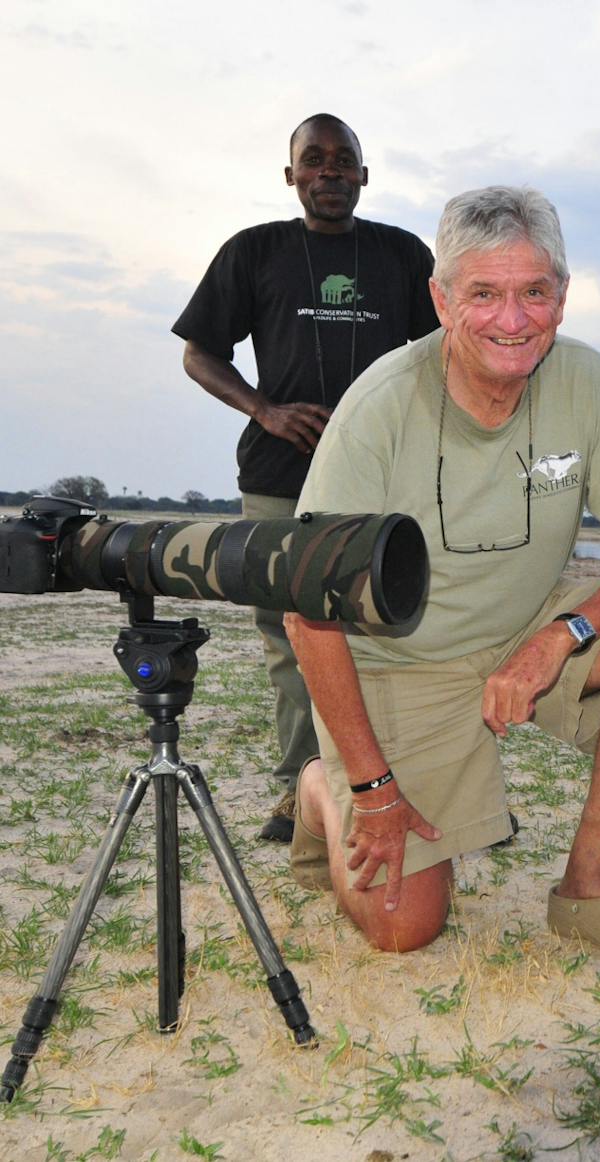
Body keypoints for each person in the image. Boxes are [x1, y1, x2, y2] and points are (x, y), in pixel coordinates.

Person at [284, 186, 600, 967]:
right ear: (442, 300)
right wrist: (375, 789)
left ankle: (589, 888)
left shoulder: (586, 380)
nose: (512, 321)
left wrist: (564, 634)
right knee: (404, 928)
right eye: (483, 293)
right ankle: (325, 789)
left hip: (524, 629)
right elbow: (306, 613)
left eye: (533, 293)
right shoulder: (378, 406)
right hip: (402, 659)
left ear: (562, 296)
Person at [173, 114, 439, 842]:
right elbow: (200, 352)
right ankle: (303, 791)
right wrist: (264, 410)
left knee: (396, 624)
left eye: (343, 160)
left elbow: (445, 351)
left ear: (364, 173)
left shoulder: (403, 254)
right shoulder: (253, 251)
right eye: (313, 161)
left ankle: (415, 782)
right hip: (278, 476)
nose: (329, 173)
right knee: (290, 635)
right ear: (290, 176)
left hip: (384, 476)